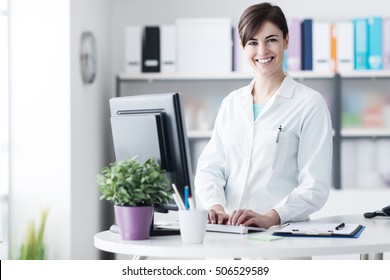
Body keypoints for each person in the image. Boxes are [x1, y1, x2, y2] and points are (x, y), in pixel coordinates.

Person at [194, 2, 333, 229]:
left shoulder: (309, 103)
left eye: (271, 40)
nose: (262, 51)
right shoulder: (232, 103)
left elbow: (314, 186)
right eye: (252, 42)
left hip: (280, 239)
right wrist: (215, 206)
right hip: (226, 236)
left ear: (286, 40)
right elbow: (210, 168)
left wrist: (272, 216)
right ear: (242, 46)